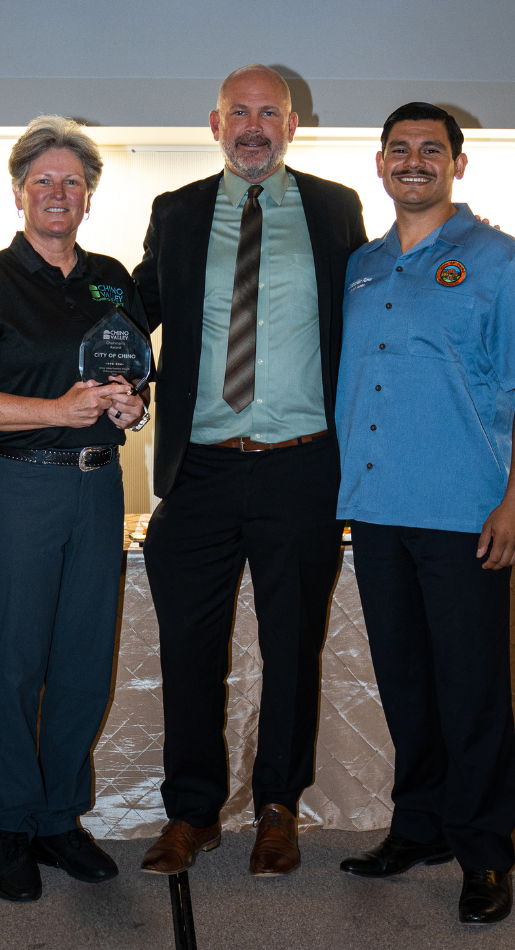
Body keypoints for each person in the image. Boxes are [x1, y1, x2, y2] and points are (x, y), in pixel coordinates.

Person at [133, 64, 367, 877]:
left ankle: (278, 809)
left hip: (302, 467)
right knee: (189, 649)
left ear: (293, 126)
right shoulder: (178, 211)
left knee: (292, 649)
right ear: (215, 124)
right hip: (199, 469)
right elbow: (134, 310)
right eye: (240, 112)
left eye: (270, 112)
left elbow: (369, 307)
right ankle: (193, 813)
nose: (254, 127)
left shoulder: (335, 208)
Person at [335, 102, 515, 925]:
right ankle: (419, 826)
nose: (414, 161)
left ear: (457, 164)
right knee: (406, 686)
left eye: (432, 149)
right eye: (399, 149)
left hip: (464, 514)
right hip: (376, 512)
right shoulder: (361, 265)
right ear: (380, 163)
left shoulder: (503, 260)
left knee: (471, 692)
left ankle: (484, 852)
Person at [0, 115, 149, 904]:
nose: (59, 193)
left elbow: (133, 376)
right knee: (17, 663)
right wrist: (47, 417)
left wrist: (132, 408)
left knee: (84, 663)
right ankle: (12, 825)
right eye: (43, 180)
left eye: (73, 182)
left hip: (98, 485)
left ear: (89, 196)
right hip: (18, 486)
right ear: (20, 193)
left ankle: (60, 818)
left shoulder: (113, 279)